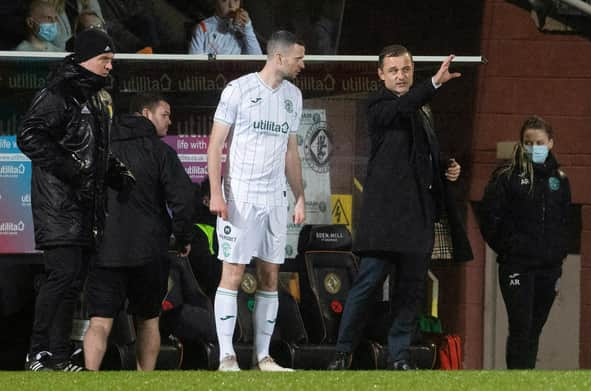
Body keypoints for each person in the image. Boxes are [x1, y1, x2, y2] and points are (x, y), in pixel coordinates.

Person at [326, 45, 461, 370]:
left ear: (412, 71)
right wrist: (434, 84)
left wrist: (444, 167)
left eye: (406, 70)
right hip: (385, 220)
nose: (401, 76)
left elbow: (414, 153)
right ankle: (342, 352)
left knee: (410, 292)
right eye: (394, 71)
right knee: (367, 284)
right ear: (381, 75)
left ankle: (398, 357)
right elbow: (400, 110)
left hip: (417, 219)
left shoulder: (422, 110)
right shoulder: (378, 105)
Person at [18, 29, 133, 371]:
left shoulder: (96, 98)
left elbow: (93, 151)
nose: (110, 66)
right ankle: (37, 352)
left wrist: (115, 172)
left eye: (112, 59)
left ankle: (57, 355)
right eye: (105, 59)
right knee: (61, 277)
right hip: (59, 204)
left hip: (85, 206)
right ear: (85, 59)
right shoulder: (59, 91)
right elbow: (29, 135)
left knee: (71, 284)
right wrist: (71, 169)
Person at [207, 30, 305, 371]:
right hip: (241, 196)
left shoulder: (293, 95)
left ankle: (262, 356)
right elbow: (215, 144)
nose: (302, 64)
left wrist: (300, 196)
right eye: (299, 58)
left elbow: (291, 151)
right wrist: (217, 192)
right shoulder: (238, 89)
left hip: (275, 197)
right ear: (279, 58)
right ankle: (226, 355)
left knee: (270, 275)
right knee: (232, 273)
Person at [82, 93, 194, 371]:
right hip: (149, 250)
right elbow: (183, 199)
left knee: (99, 321)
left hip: (106, 249)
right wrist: (182, 238)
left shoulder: (100, 149)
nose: (170, 121)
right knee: (148, 319)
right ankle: (144, 381)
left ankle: (87, 378)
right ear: (146, 114)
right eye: (165, 114)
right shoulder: (161, 152)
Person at [480, 115, 571, 369]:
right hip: (517, 266)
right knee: (520, 327)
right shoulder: (506, 177)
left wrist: (559, 254)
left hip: (549, 267)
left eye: (539, 142)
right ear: (521, 144)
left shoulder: (560, 180)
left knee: (534, 330)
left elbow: (566, 221)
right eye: (528, 143)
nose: (534, 148)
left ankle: (527, 379)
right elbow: (488, 218)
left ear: (551, 143)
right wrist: (509, 249)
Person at [189, 0, 262, 55]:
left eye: (236, 0)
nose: (231, 5)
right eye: (224, 0)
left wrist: (248, 28)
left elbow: (257, 59)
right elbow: (194, 63)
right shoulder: (202, 27)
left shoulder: (244, 27)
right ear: (215, 2)